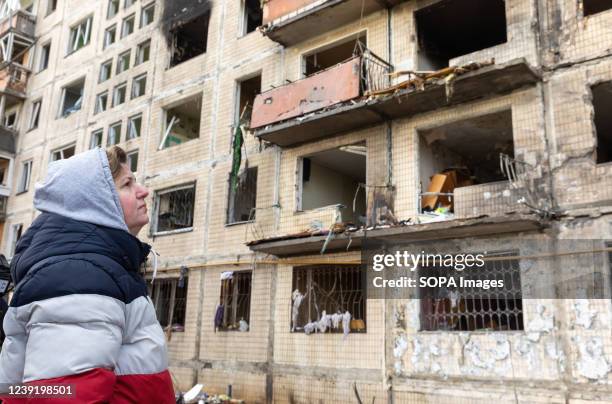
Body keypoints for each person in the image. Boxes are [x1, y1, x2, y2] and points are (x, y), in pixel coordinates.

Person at [0, 146, 175, 403]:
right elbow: (65, 395)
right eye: (127, 184)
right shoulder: (79, 277)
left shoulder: (97, 268)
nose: (143, 191)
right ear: (96, 201)